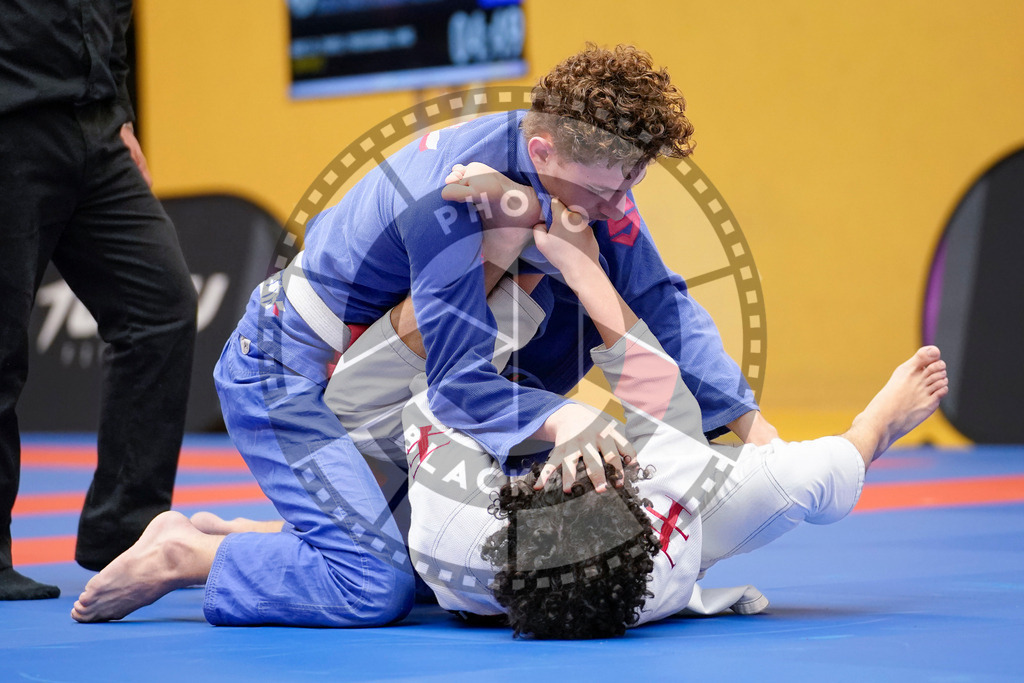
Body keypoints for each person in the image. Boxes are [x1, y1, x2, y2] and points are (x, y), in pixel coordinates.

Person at [71, 43, 775, 626]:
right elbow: (460, 386)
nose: (621, 210)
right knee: (374, 586)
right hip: (279, 373)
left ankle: (209, 531)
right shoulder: (453, 198)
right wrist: (569, 415)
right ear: (543, 151)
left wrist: (752, 424)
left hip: (372, 382)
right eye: (604, 192)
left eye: (632, 188)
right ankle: (186, 560)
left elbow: (661, 297)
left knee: (436, 560)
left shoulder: (567, 174)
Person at [0, 0, 197, 600]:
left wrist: (122, 116)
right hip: (9, 124)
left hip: (95, 127)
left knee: (162, 310)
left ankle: (125, 529)